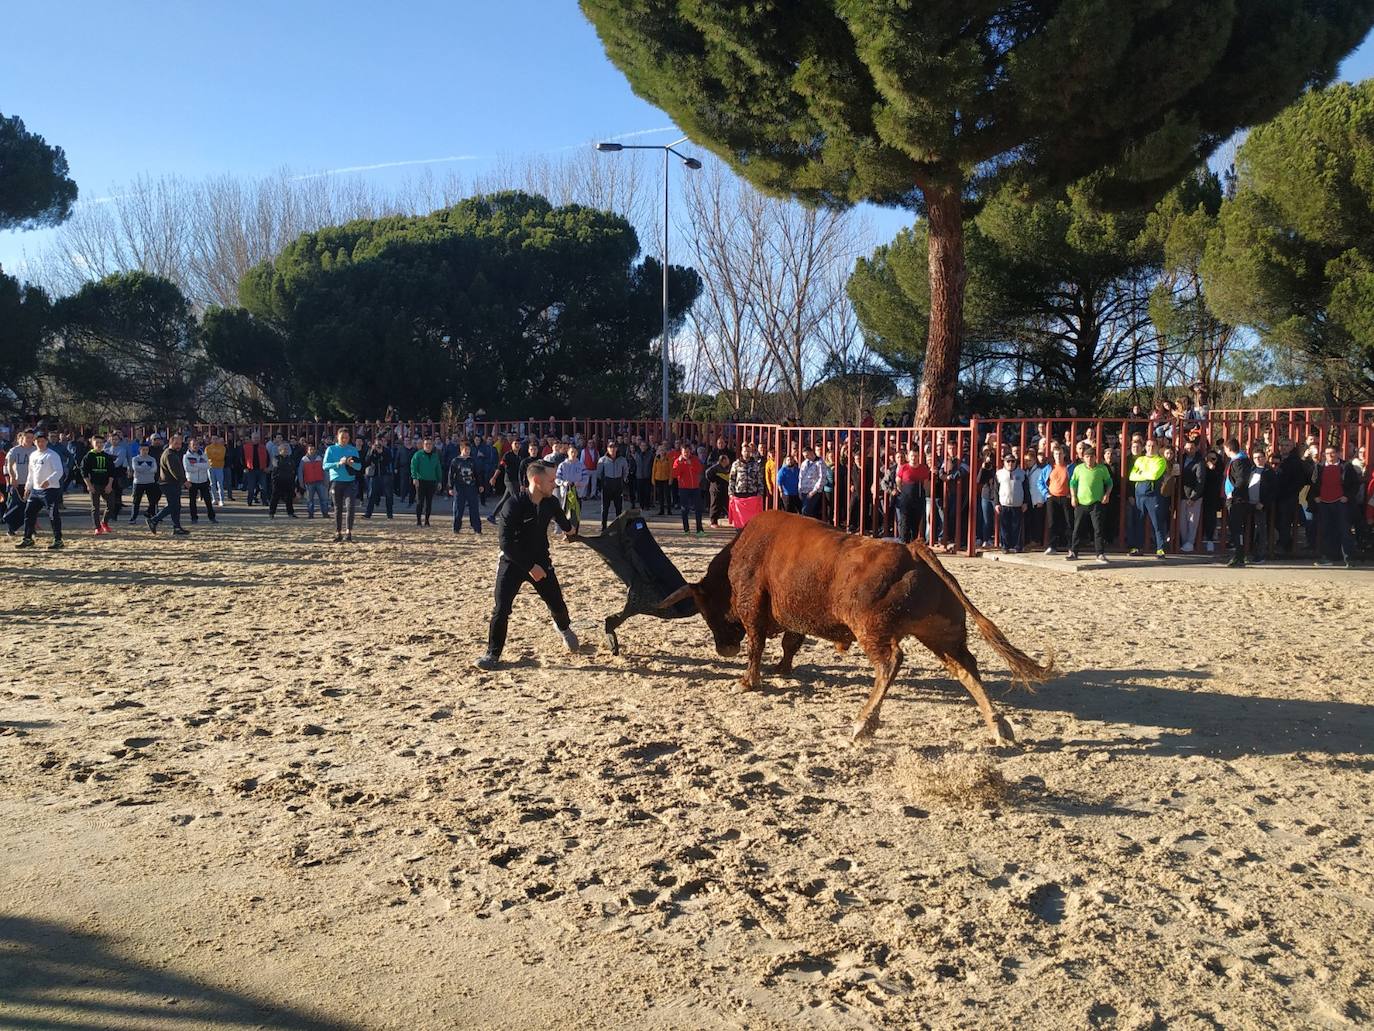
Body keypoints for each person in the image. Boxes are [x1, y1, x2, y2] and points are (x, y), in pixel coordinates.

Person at [473, 461, 579, 670]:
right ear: (536, 481)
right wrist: (530, 567)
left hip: (541, 560)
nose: (554, 485)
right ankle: (492, 654)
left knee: (557, 604)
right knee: (501, 608)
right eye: (551, 481)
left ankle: (564, 629)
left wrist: (571, 530)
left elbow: (565, 524)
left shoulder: (550, 502)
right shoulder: (513, 505)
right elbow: (505, 543)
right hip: (512, 562)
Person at [1310, 443, 1359, 568]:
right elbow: (1314, 483)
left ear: (1338, 453)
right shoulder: (1319, 467)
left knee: (1344, 530)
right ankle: (1327, 557)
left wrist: (1347, 496)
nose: (1330, 456)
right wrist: (1315, 496)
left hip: (1340, 502)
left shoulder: (1346, 466)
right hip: (1324, 503)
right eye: (1327, 453)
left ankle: (1349, 559)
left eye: (1332, 453)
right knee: (1326, 530)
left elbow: (1355, 484)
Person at [15, 430, 64, 550]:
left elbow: (59, 471)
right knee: (29, 513)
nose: (40, 443)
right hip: (36, 491)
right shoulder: (33, 455)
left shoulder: (52, 455)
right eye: (38, 441)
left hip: (50, 490)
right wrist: (28, 487)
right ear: (34, 442)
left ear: (46, 442)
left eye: (43, 441)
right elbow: (31, 473)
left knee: (53, 514)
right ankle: (27, 538)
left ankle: (58, 540)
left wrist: (49, 480)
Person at [1067, 444, 1112, 564]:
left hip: (1096, 503)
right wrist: (1073, 497)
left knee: (1098, 529)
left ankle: (1100, 553)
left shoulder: (1102, 469)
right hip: (1081, 503)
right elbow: (1073, 483)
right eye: (1087, 456)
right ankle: (1073, 551)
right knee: (1077, 528)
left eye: (1091, 456)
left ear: (1095, 457)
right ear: (1083, 458)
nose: (1089, 459)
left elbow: (1109, 483)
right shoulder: (1078, 469)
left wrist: (1107, 494)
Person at [1128, 437, 1168, 558]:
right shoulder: (1140, 459)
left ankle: (1160, 549)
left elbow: (1154, 475)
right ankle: (1138, 547)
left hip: (1153, 495)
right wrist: (1146, 474)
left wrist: (1141, 473)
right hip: (1139, 495)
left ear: (1157, 448)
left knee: (1157, 522)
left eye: (1153, 446)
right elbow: (1132, 476)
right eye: (1148, 446)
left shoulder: (1160, 461)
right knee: (1138, 521)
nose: (1150, 448)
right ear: (1145, 447)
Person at [324, 428, 362, 543]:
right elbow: (325, 466)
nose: (344, 440)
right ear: (338, 437)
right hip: (336, 481)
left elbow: (359, 467)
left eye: (346, 437)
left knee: (350, 507)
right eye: (342, 438)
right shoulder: (331, 449)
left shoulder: (353, 450)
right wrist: (338, 463)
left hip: (350, 482)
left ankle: (348, 532)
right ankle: (338, 532)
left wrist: (351, 464)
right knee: (337, 508)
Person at [146, 433, 189, 536]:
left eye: (180, 443)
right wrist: (184, 481)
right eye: (176, 443)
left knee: (176, 505)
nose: (179, 445)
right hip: (168, 483)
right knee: (173, 505)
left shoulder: (173, 453)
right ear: (171, 442)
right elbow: (174, 470)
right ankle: (154, 520)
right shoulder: (169, 454)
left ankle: (177, 527)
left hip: (171, 483)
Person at [1222, 438, 1255, 568]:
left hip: (1237, 500)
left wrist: (1234, 493)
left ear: (1229, 449)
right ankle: (1239, 554)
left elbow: (1241, 479)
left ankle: (1240, 555)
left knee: (1237, 529)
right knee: (1235, 528)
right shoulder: (1237, 461)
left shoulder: (1239, 462)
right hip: (1235, 499)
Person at [79, 432, 119, 534]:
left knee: (111, 504)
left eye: (101, 442)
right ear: (92, 443)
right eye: (97, 442)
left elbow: (112, 471)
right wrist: (89, 485)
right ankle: (97, 527)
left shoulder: (107, 456)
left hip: (106, 484)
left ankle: (104, 522)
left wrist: (110, 484)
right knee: (95, 507)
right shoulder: (88, 456)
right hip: (94, 484)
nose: (99, 444)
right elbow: (84, 472)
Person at [3, 428, 35, 536]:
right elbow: (8, 466)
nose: (29, 440)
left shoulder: (35, 450)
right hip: (18, 482)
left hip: (31, 483)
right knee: (15, 505)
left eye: (31, 438)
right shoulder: (14, 451)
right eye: (27, 437)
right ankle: (11, 528)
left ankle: (30, 528)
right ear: (22, 438)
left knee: (30, 507)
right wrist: (12, 478)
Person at [994, 451, 1027, 553]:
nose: (1010, 463)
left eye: (1012, 461)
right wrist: (996, 503)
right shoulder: (999, 474)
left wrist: (1025, 502)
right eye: (1008, 461)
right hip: (1004, 504)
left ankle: (1017, 546)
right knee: (1004, 527)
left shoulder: (1022, 473)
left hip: (1017, 504)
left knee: (1017, 527)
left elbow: (1026, 489)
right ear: (1004, 462)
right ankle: (1005, 546)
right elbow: (995, 489)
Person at [449, 441, 483, 534]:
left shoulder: (472, 460)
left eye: (469, 450)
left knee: (474, 508)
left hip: (471, 487)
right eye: (466, 449)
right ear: (461, 449)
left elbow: (477, 474)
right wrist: (450, 487)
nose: (467, 451)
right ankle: (456, 528)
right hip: (459, 487)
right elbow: (451, 475)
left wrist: (480, 485)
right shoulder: (455, 461)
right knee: (458, 509)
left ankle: (477, 528)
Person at [1043, 445, 1071, 554]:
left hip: (1066, 497)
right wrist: (1046, 493)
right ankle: (1052, 546)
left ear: (1064, 454)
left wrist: (1071, 494)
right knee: (1051, 522)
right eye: (1055, 454)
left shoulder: (1069, 467)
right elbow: (1040, 482)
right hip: (1052, 497)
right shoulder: (1049, 467)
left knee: (1068, 522)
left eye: (1060, 454)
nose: (1058, 456)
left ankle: (1070, 547)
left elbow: (1075, 481)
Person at [673, 442, 705, 536]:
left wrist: (691, 464)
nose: (686, 454)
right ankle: (686, 529)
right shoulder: (677, 461)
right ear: (681, 452)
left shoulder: (695, 459)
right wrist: (679, 463)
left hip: (695, 487)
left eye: (688, 452)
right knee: (684, 509)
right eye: (684, 452)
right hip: (684, 488)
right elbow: (674, 474)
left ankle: (700, 530)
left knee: (698, 509)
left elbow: (699, 470)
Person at [597, 442, 630, 530]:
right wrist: (602, 483)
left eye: (614, 447)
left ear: (617, 448)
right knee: (605, 507)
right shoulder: (602, 460)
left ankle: (618, 526)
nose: (612, 449)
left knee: (618, 507)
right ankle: (603, 526)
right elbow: (599, 473)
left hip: (618, 483)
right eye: (610, 447)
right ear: (607, 448)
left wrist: (624, 479)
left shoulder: (622, 459)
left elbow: (626, 470)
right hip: (607, 483)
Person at [183, 436, 217, 524]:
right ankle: (194, 518)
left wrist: (195, 465)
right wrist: (200, 466)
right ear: (189, 446)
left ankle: (212, 517)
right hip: (192, 481)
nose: (195, 446)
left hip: (203, 480)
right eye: (193, 445)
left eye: (197, 444)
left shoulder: (203, 454)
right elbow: (188, 469)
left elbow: (208, 465)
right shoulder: (186, 456)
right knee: (192, 501)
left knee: (208, 500)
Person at [410, 437, 442, 527]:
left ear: (432, 445)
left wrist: (439, 481)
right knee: (420, 501)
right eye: (426, 444)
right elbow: (413, 467)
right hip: (420, 481)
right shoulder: (418, 455)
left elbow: (438, 469)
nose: (428, 446)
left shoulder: (435, 456)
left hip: (431, 481)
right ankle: (418, 521)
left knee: (429, 502)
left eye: (430, 444)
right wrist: (414, 478)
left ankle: (427, 520)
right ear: (423, 445)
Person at [363, 434, 395, 519]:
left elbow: (389, 461)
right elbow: (366, 462)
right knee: (371, 495)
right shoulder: (372, 450)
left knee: (389, 495)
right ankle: (368, 513)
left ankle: (389, 514)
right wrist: (372, 452)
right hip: (375, 475)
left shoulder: (387, 450)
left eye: (380, 443)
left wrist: (382, 453)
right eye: (377, 443)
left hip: (386, 475)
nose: (379, 445)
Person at [128, 441, 160, 522]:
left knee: (152, 501)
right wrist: (147, 468)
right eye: (143, 450)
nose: (145, 451)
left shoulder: (152, 459)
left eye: (146, 450)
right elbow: (136, 468)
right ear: (140, 450)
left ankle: (152, 516)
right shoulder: (135, 459)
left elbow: (154, 469)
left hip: (150, 482)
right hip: (138, 482)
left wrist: (143, 468)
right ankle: (133, 517)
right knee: (136, 501)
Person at [267, 440, 298, 518]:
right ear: (280, 451)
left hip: (289, 481)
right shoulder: (276, 458)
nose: (286, 451)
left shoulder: (291, 459)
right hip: (278, 481)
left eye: (287, 449)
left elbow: (293, 470)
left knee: (289, 498)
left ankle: (290, 513)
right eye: (284, 449)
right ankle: (271, 513)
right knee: (275, 498)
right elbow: (277, 466)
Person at [299, 443, 330, 518]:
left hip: (320, 481)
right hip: (309, 482)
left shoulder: (320, 458)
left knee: (324, 499)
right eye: (310, 449)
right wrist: (301, 482)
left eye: (313, 449)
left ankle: (325, 513)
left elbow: (325, 470)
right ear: (307, 450)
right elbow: (300, 471)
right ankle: (310, 514)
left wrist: (326, 480)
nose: (312, 451)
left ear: (315, 450)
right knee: (310, 500)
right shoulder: (303, 460)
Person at [241, 433, 270, 506]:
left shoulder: (263, 447)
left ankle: (264, 501)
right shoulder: (246, 447)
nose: (256, 439)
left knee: (263, 487)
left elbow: (268, 458)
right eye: (254, 438)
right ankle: (249, 501)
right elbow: (242, 458)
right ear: (252, 438)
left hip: (262, 469)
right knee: (251, 487)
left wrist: (267, 467)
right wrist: (245, 467)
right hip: (251, 470)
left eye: (257, 438)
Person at [798, 446, 825, 519]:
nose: (806, 457)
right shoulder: (804, 463)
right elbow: (800, 477)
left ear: (811, 452)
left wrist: (814, 491)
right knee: (808, 511)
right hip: (804, 490)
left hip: (813, 491)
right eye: (804, 456)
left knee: (805, 511)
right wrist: (799, 490)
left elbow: (822, 478)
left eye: (807, 455)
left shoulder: (820, 462)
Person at [706, 452, 731, 527]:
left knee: (727, 504)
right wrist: (714, 480)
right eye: (727, 460)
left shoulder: (728, 467)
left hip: (725, 489)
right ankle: (713, 522)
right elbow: (707, 473)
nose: (728, 461)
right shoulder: (715, 467)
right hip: (716, 490)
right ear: (723, 460)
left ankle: (731, 518)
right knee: (715, 505)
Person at [205, 434, 227, 507]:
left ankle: (221, 500)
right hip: (210, 467)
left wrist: (213, 456)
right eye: (213, 439)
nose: (215, 440)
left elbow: (221, 457)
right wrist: (214, 456)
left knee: (220, 484)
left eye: (216, 439)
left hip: (219, 467)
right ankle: (214, 499)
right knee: (212, 484)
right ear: (211, 440)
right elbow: (207, 456)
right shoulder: (208, 448)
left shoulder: (222, 448)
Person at [652, 445, 673, 516]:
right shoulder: (656, 458)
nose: (661, 451)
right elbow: (654, 469)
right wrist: (653, 479)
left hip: (666, 479)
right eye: (660, 450)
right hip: (658, 479)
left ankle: (669, 510)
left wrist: (670, 479)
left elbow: (671, 470)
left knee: (667, 495)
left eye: (663, 450)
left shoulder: (668, 458)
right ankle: (661, 510)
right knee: (660, 496)